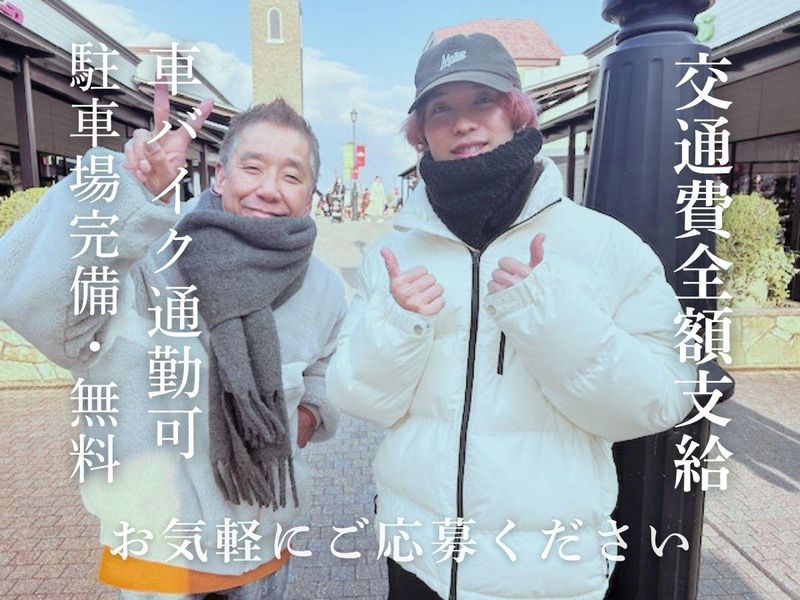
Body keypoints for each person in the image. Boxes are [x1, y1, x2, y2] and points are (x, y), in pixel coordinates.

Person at [326, 33, 696, 600]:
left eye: (484, 100)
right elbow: (360, 400)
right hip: (420, 557)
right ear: (421, 131)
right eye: (440, 108)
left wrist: (552, 319)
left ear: (517, 112)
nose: (463, 122)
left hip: (543, 569)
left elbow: (661, 401)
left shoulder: (604, 245)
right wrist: (397, 324)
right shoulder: (391, 254)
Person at [0, 83, 346, 599]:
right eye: (252, 168)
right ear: (220, 175)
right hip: (159, 554)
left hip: (261, 546)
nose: (270, 189)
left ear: (312, 194)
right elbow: (42, 308)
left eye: (291, 175)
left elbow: (326, 367)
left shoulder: (323, 286)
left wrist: (308, 415)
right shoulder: (149, 254)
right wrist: (126, 191)